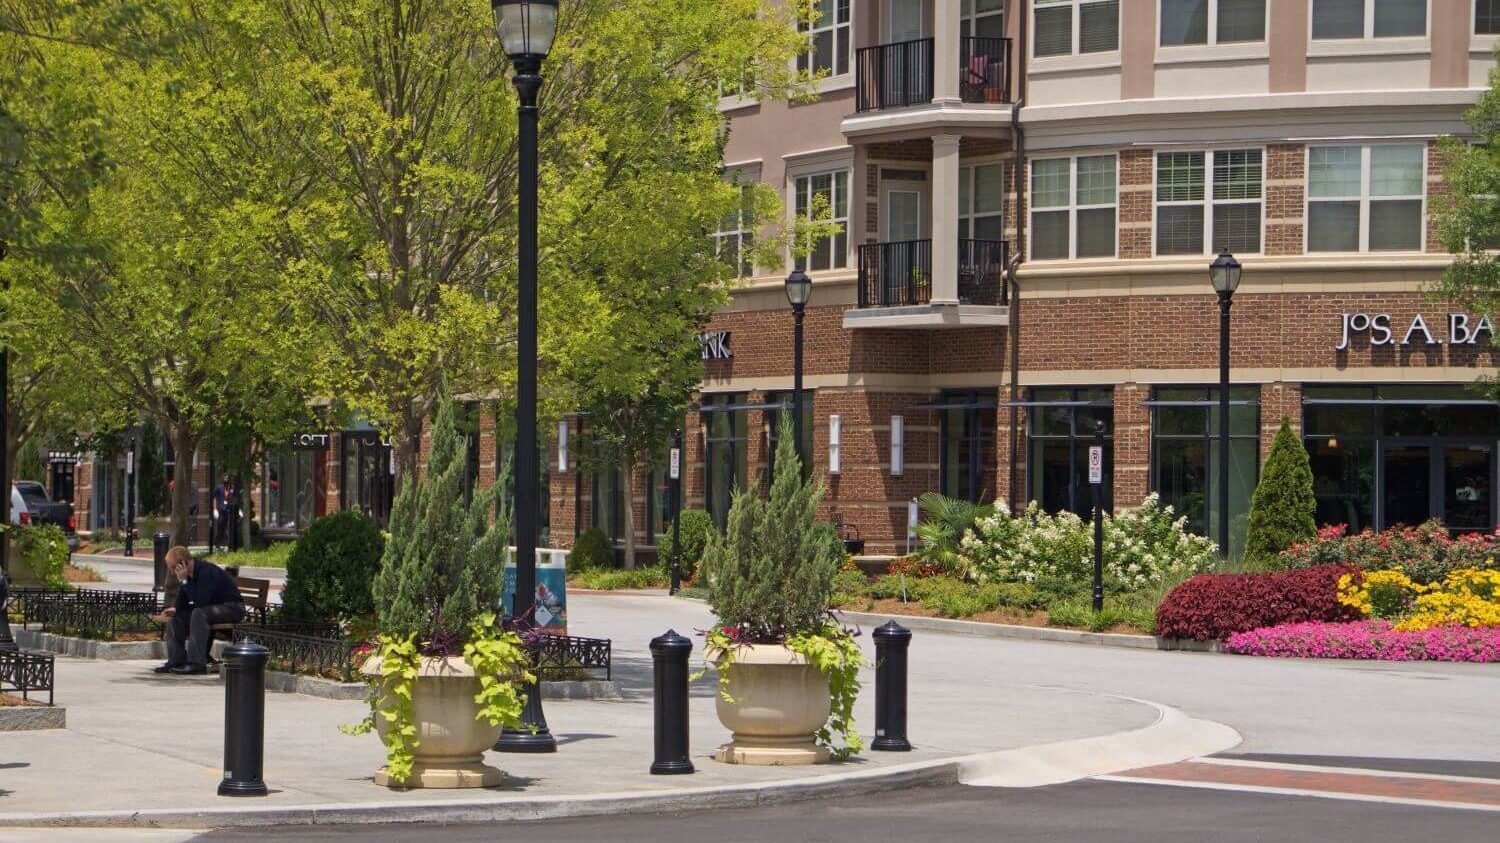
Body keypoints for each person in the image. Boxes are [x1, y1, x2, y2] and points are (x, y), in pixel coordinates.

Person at [152, 546, 245, 675]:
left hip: (232, 608)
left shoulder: (205, 571)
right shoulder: (188, 575)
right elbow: (183, 602)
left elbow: (201, 601)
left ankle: (196, 663)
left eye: (173, 567)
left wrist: (184, 581)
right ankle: (176, 661)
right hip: (211, 609)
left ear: (183, 562)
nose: (172, 572)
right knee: (177, 617)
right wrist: (175, 610)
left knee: (198, 613)